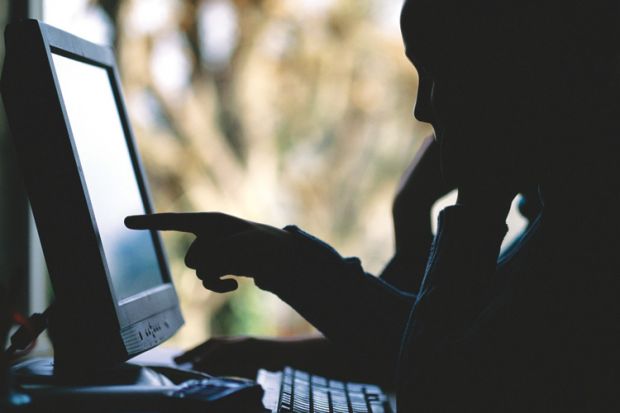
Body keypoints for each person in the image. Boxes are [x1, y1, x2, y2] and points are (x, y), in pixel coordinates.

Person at [126, 1, 620, 411]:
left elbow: (435, 391)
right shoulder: (564, 207)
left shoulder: (589, 236)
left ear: (515, 78)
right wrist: (286, 262)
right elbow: (451, 344)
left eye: (440, 72)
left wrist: (479, 201)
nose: (423, 108)